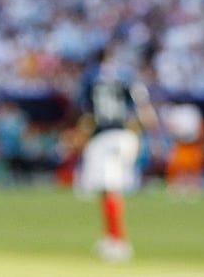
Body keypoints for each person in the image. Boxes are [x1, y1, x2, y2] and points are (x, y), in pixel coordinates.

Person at [73, 46, 160, 263]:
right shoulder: (126, 75)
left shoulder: (90, 78)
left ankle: (119, 241)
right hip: (125, 137)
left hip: (104, 136)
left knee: (110, 189)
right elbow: (144, 110)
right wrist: (150, 136)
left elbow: (84, 111)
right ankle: (109, 236)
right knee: (106, 189)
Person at [162, 102, 204, 199]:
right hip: (180, 143)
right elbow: (170, 127)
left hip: (192, 143)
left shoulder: (193, 110)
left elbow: (200, 127)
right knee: (177, 167)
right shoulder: (175, 111)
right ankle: (176, 187)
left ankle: (192, 188)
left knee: (192, 168)